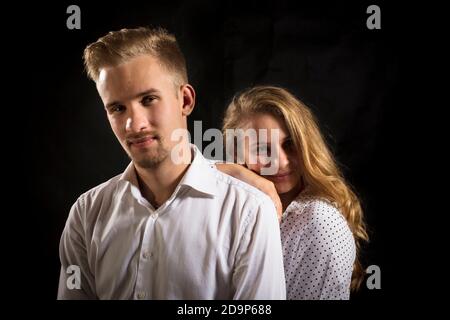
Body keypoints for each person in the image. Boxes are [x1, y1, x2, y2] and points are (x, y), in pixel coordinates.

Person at [57, 27, 286, 300]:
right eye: (117, 108)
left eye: (148, 99)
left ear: (185, 100)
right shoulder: (86, 214)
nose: (134, 124)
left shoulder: (249, 211)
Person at [219, 86, 369, 299]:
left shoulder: (319, 221)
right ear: (237, 154)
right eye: (262, 149)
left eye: (289, 144)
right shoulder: (238, 209)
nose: (281, 162)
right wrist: (232, 171)